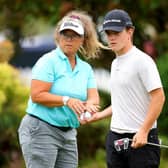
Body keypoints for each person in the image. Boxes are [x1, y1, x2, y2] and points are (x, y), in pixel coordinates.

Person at [18, 10, 103, 168]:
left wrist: (89, 108)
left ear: (83, 40)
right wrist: (66, 100)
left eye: (74, 36)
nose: (69, 40)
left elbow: (93, 97)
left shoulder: (85, 69)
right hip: (41, 128)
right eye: (65, 35)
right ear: (58, 36)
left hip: (68, 133)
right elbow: (37, 95)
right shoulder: (48, 61)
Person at [87, 9, 165, 168]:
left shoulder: (143, 61)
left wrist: (144, 130)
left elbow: (159, 97)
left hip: (141, 140)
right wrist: (99, 115)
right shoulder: (115, 63)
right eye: (108, 33)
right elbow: (121, 102)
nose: (111, 37)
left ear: (130, 31)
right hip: (115, 138)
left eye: (116, 32)